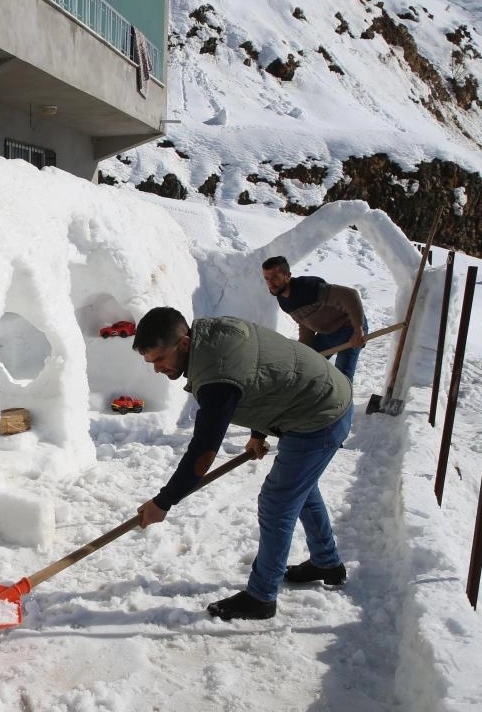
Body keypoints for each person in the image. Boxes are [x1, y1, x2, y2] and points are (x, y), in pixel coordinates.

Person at [132, 307, 352, 620]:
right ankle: (326, 562)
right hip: (314, 399)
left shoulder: (215, 378)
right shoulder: (211, 335)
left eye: (159, 359)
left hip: (319, 414)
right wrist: (257, 432)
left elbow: (203, 452)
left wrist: (164, 501)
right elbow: (262, 371)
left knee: (278, 501)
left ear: (183, 343)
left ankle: (261, 597)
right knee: (299, 489)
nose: (156, 369)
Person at [261, 256, 367, 381]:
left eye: (275, 277)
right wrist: (303, 353)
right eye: (267, 278)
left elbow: (350, 295)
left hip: (350, 328)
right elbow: (306, 325)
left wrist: (358, 330)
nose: (270, 283)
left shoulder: (309, 287)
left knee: (342, 380)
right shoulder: (283, 300)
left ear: (287, 275)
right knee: (307, 368)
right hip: (328, 333)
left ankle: (344, 400)